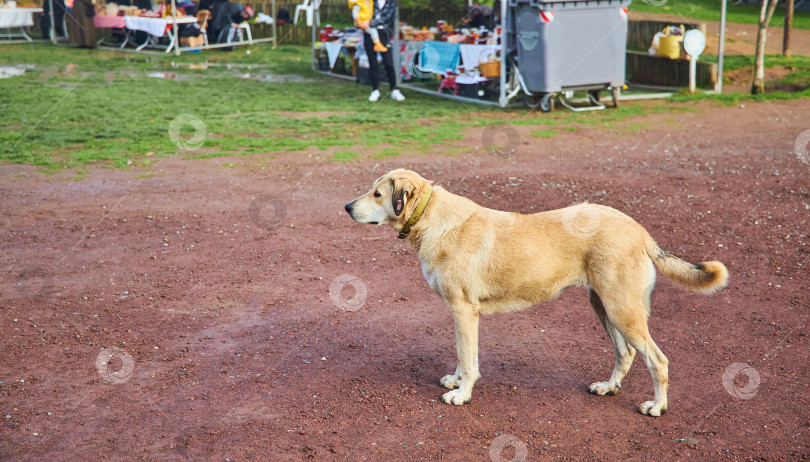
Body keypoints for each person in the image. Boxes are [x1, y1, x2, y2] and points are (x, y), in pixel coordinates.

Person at [357, 0, 404, 102]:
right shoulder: (370, 1)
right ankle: (375, 90)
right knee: (373, 63)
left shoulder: (392, 2)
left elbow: (388, 18)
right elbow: (363, 12)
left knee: (389, 63)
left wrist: (370, 23)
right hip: (369, 34)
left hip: (384, 34)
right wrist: (360, 22)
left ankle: (394, 90)